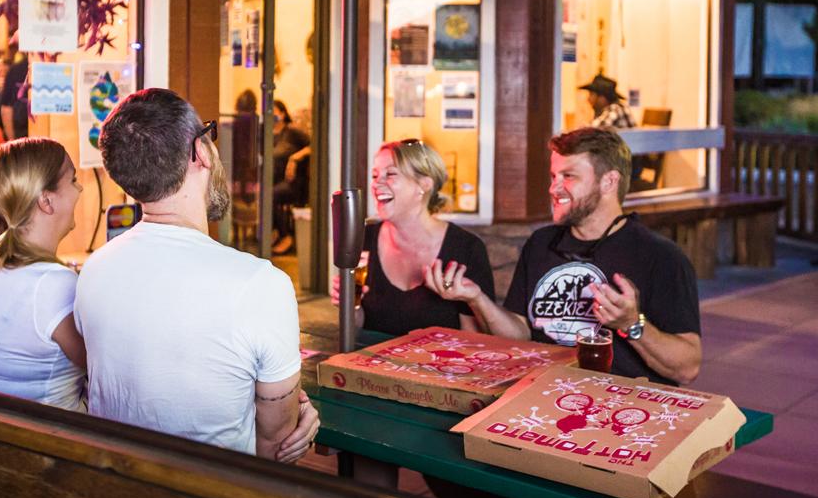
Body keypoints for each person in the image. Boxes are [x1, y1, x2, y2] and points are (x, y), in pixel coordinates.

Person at [76, 88, 319, 463]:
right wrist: (298, 417)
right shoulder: (259, 285)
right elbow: (276, 446)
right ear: (199, 152)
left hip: (118, 492)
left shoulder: (94, 270)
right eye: (209, 134)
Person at [431, 127, 701, 386]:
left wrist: (631, 324)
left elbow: (688, 367)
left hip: (621, 410)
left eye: (569, 176)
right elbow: (521, 333)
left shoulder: (660, 257)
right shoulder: (542, 243)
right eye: (553, 176)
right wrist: (476, 299)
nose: (554, 188)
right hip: (543, 396)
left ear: (609, 181)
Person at [0, 137, 87, 411]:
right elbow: (104, 367)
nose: (80, 188)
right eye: (73, 181)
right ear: (46, 201)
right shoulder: (54, 284)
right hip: (54, 444)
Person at [330, 139, 496, 336]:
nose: (376, 184)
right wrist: (351, 305)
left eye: (390, 174)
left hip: (438, 365)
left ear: (424, 184)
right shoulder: (364, 239)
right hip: (375, 362)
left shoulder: (465, 247)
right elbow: (356, 331)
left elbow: (473, 339)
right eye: (375, 175)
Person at [271, 100, 311, 255]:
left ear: (282, 113)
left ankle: (286, 236)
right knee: (262, 193)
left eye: (274, 112)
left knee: (270, 195)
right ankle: (274, 232)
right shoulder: (265, 134)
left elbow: (313, 145)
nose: (271, 115)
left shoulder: (292, 133)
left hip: (293, 183)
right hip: (272, 181)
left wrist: (295, 158)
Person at [0, 52, 30, 140]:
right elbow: (6, 108)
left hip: (21, 136)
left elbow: (6, 108)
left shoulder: (16, 70)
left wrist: (12, 142)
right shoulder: (16, 70)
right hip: (22, 134)